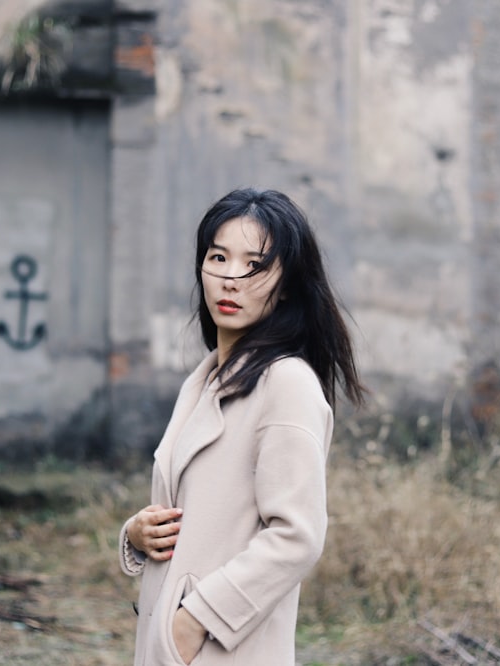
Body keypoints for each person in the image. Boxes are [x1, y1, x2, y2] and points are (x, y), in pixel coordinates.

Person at [119, 188, 365, 665]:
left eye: (255, 265)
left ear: (287, 284)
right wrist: (136, 532)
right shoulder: (206, 381)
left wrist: (195, 621)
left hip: (223, 647)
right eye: (218, 257)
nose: (231, 279)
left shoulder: (286, 383)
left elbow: (297, 535)